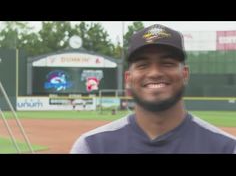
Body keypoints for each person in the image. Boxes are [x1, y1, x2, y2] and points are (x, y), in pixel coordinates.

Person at [70, 24, 236, 154]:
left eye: (167, 63)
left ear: (185, 74)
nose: (155, 72)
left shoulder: (225, 148)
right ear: (128, 78)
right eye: (143, 65)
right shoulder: (93, 147)